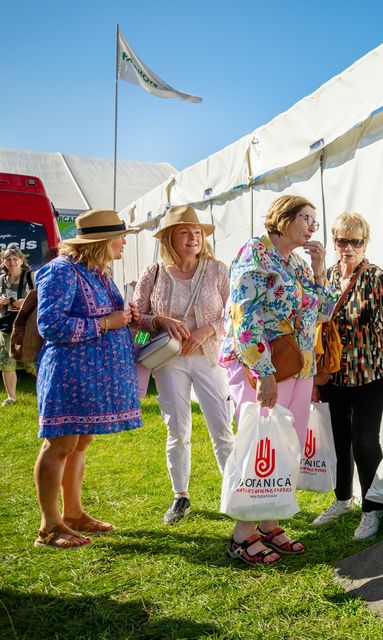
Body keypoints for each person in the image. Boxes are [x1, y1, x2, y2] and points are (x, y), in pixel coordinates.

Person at [220, 195, 327, 564]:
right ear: (283, 218)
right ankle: (242, 533)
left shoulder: (296, 262)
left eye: (315, 220)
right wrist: (262, 372)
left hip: (296, 367)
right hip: (262, 366)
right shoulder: (254, 254)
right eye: (306, 218)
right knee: (258, 446)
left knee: (285, 444)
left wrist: (318, 267)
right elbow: (242, 316)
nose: (313, 226)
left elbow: (322, 311)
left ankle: (268, 521)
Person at [32, 209, 142, 549]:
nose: (125, 241)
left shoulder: (99, 274)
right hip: (68, 374)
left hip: (91, 376)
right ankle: (49, 527)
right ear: (103, 241)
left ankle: (74, 514)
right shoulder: (61, 272)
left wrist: (127, 318)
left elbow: (110, 317)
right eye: (121, 236)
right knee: (60, 443)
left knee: (80, 443)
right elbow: (50, 325)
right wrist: (108, 322)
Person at [312, 212, 383, 540]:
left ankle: (372, 509)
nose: (348, 248)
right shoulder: (328, 276)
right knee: (340, 440)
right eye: (342, 241)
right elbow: (316, 317)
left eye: (355, 242)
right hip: (335, 374)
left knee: (364, 440)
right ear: (334, 241)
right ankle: (343, 499)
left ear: (365, 243)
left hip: (371, 373)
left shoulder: (375, 277)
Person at [133, 205, 234, 524]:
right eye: (184, 232)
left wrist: (207, 329)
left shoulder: (218, 270)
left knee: (222, 428)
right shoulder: (154, 273)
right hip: (169, 361)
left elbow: (234, 312)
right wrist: (160, 320)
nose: (193, 237)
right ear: (169, 239)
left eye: (197, 232)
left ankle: (235, 492)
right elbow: (136, 318)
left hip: (209, 358)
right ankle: (181, 497)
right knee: (177, 428)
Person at [0, 246, 35, 405]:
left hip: (26, 326)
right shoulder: (1, 279)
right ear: (4, 262)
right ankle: (11, 398)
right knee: (6, 362)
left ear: (22, 260)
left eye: (15, 259)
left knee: (31, 363)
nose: (12, 262)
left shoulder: (30, 277)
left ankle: (51, 392)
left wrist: (25, 302)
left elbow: (42, 298)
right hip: (6, 325)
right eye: (8, 259)